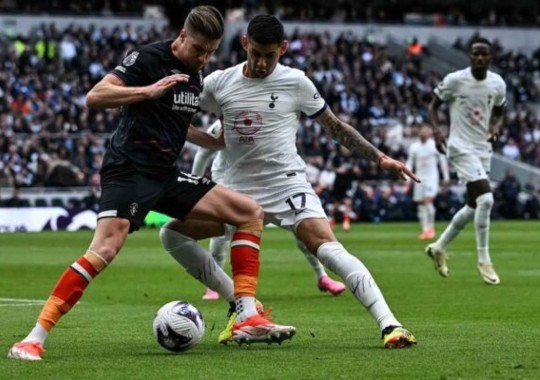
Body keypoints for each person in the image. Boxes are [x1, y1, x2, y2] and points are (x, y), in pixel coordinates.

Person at [8, 6, 294, 362]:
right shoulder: (148, 57)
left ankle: (247, 317)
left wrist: (212, 141)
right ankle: (33, 338)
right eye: (198, 49)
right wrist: (147, 91)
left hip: (165, 174)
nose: (203, 58)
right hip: (127, 171)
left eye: (210, 52)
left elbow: (175, 123)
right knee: (105, 250)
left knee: (250, 213)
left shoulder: (196, 75)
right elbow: (96, 96)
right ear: (182, 36)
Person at [160, 14, 419, 348]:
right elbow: (174, 117)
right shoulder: (218, 83)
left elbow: (335, 127)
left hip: (285, 184)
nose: (263, 62)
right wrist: (208, 141)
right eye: (256, 53)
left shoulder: (296, 82)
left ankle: (390, 325)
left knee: (328, 248)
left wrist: (379, 158)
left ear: (282, 49)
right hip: (233, 189)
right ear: (244, 45)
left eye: (271, 54)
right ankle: (242, 309)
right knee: (172, 235)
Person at [192, 120, 346, 301]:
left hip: (268, 183)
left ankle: (322, 276)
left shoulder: (270, 118)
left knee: (302, 229)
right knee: (221, 234)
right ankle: (212, 286)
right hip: (230, 182)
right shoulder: (224, 123)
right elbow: (203, 154)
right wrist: (195, 186)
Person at [426, 37, 506, 285]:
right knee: (487, 199)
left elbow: (501, 112)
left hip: (483, 148)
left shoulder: (497, 83)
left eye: (484, 55)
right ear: (470, 57)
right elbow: (433, 106)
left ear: (490, 59)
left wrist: (495, 126)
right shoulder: (455, 80)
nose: (480, 58)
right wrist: (437, 131)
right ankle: (484, 259)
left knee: (473, 206)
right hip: (460, 146)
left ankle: (439, 246)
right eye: (476, 54)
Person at [405, 124, 450, 240]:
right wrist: (407, 178)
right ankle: (425, 229)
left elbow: (442, 161)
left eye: (426, 131)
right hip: (419, 178)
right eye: (421, 131)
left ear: (429, 132)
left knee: (427, 201)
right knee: (420, 204)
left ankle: (431, 228)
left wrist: (446, 177)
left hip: (432, 178)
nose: (423, 133)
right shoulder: (414, 147)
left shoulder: (434, 145)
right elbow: (410, 163)